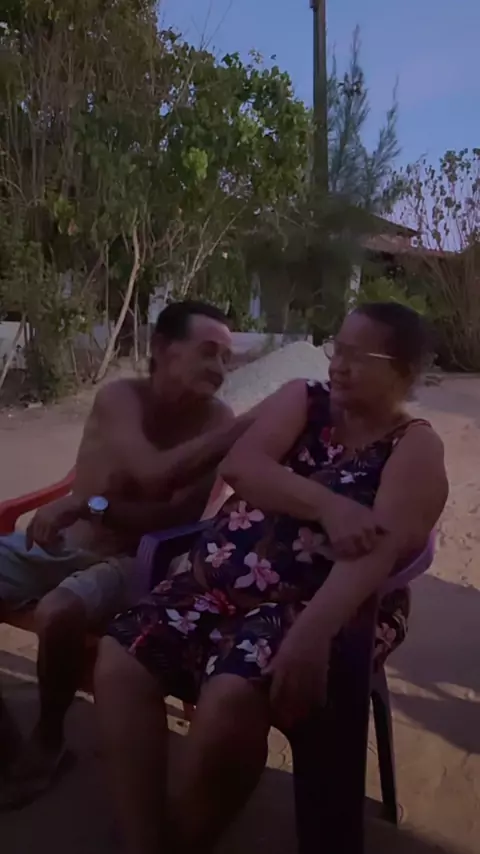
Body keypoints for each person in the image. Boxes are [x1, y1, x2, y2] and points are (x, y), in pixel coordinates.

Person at [94, 302, 449, 854]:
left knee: (230, 700)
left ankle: (183, 839)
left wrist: (312, 633)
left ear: (402, 371)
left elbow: (378, 553)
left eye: (359, 356)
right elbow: (243, 466)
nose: (338, 364)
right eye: (337, 349)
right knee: (119, 659)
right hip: (212, 587)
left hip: (321, 605)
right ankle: (143, 842)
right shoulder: (304, 400)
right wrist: (330, 506)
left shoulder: (416, 447)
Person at [0, 300, 252, 805]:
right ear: (161, 348)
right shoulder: (121, 398)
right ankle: (6, 748)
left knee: (58, 613)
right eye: (208, 352)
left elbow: (169, 516)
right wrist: (91, 504)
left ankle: (48, 742)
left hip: (131, 559)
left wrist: (88, 505)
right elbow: (149, 474)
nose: (220, 369)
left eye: (227, 359)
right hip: (60, 542)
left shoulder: (218, 422)